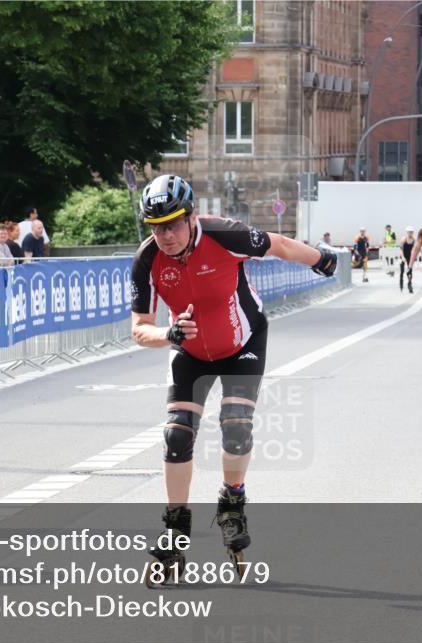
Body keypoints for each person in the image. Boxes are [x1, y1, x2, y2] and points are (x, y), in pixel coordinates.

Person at [130, 174, 336, 584]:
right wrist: (168, 335)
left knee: (236, 426)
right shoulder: (147, 259)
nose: (165, 236)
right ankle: (175, 527)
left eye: (173, 223)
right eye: (157, 227)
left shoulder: (225, 234)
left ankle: (232, 502)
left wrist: (319, 258)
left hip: (243, 343)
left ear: (190, 217)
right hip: (189, 349)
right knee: (177, 436)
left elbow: (277, 244)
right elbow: (140, 328)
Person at [399, 226, 416, 293]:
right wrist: (403, 257)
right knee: (402, 271)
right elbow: (401, 250)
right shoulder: (404, 239)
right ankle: (401, 285)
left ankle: (409, 284)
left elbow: (417, 248)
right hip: (403, 256)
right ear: (407, 232)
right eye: (409, 232)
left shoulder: (414, 240)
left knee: (409, 272)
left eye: (411, 232)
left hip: (410, 257)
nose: (410, 233)